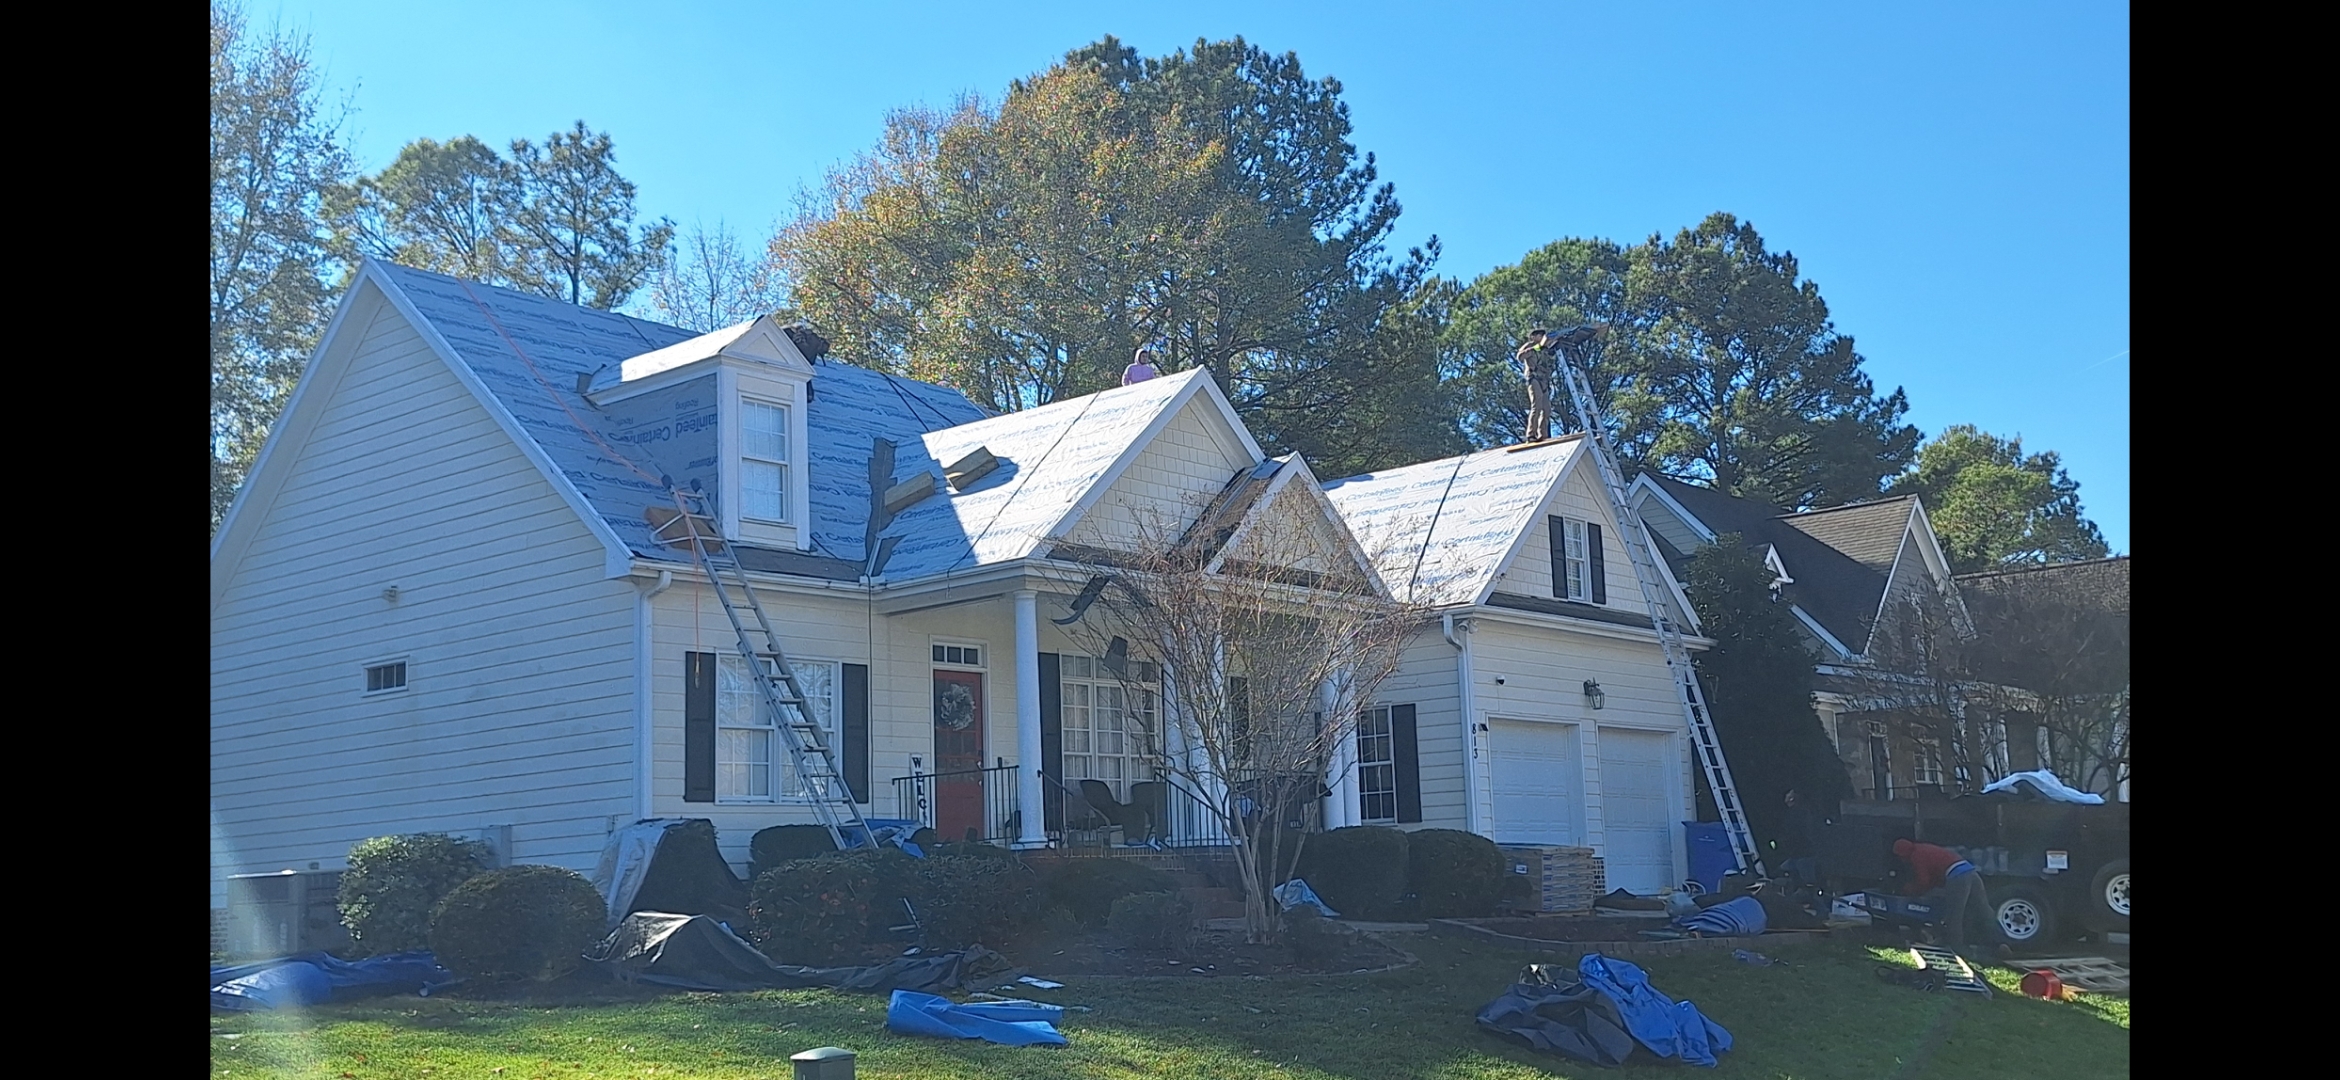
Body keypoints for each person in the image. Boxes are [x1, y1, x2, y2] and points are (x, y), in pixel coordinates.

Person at [1894, 838, 1992, 952]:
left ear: (1903, 854)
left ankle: (1957, 948)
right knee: (1984, 909)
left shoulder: (1916, 856)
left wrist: (1910, 890)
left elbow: (1923, 881)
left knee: (1954, 916)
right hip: (1970, 871)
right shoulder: (1924, 847)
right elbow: (1935, 874)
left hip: (1957, 876)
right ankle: (2000, 942)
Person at [1515, 329, 1556, 442]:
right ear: (1533, 337)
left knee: (1547, 410)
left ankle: (1543, 434)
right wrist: (1536, 348)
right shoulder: (1529, 346)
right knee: (1536, 406)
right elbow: (1520, 357)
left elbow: (1551, 359)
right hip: (1534, 378)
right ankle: (1531, 434)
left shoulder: (1545, 349)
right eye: (1539, 335)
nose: (1542, 337)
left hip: (1545, 380)